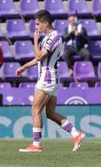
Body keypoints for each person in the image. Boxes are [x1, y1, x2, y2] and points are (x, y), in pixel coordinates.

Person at [16, 10, 85, 153]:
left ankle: (36, 144)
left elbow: (40, 56)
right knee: (50, 113)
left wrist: (34, 40)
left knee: (35, 110)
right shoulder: (50, 37)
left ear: (45, 23)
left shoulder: (52, 38)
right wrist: (24, 66)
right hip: (51, 78)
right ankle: (76, 134)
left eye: (37, 24)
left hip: (47, 79)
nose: (36, 28)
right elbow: (39, 58)